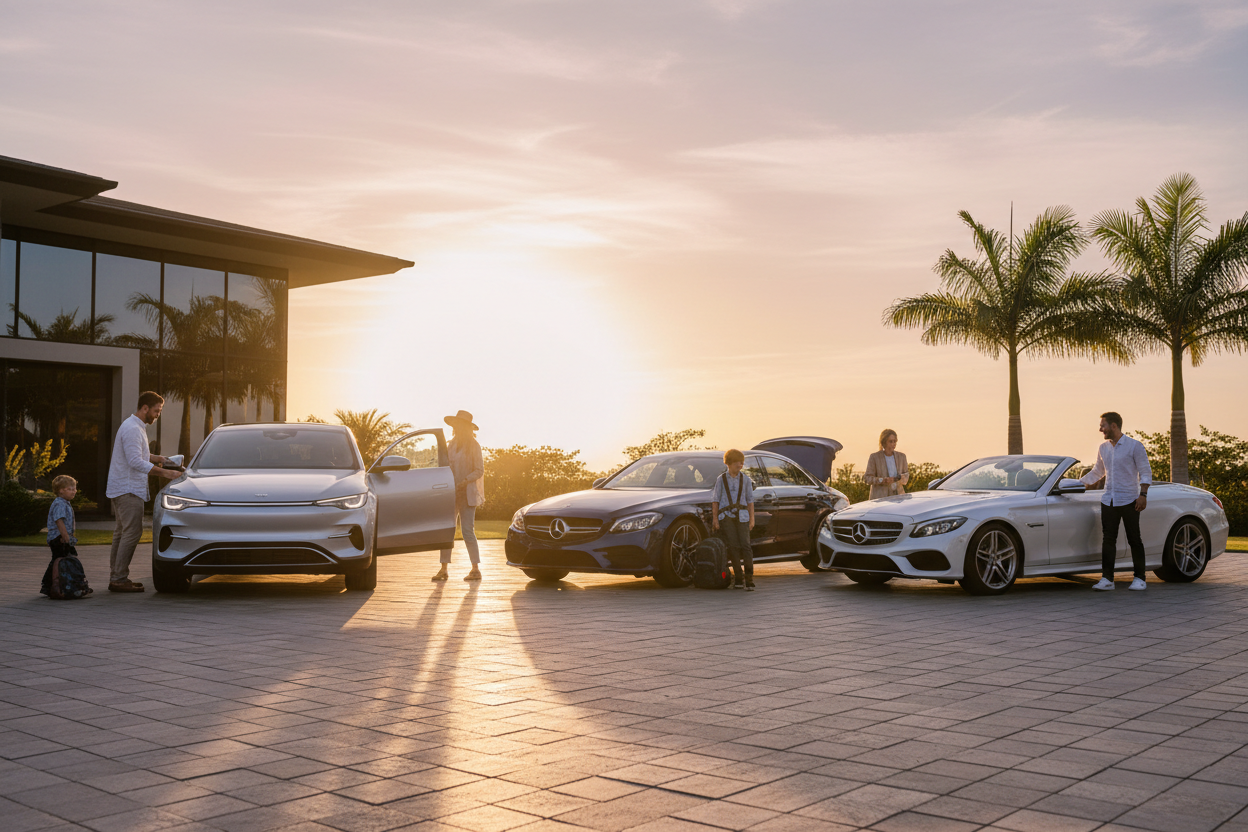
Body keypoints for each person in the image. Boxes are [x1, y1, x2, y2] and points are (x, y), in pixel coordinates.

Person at [105, 392, 180, 592]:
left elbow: (140, 455)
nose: (157, 415)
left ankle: (117, 576)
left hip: (124, 488)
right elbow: (135, 461)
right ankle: (119, 579)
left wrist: (159, 458)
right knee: (132, 532)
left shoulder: (135, 427)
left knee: (121, 533)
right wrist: (166, 473)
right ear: (145, 408)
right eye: (156, 410)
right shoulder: (132, 428)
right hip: (128, 489)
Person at [1079, 411, 1152, 591]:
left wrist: (1143, 495)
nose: (1100, 429)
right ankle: (1107, 579)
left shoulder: (1135, 446)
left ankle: (1140, 578)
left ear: (1113, 426)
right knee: (1108, 539)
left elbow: (1145, 471)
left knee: (1134, 539)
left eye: (1103, 425)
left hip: (1130, 499)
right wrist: (1078, 484)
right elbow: (1098, 472)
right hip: (1108, 500)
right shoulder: (1103, 448)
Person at [433, 410, 485, 582]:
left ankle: (475, 569)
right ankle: (443, 569)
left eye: (460, 425)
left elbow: (479, 470)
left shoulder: (474, 446)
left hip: (467, 493)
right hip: (451, 493)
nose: (456, 428)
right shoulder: (451, 445)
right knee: (447, 530)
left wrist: (465, 481)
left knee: (467, 531)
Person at [711, 449, 757, 591]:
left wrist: (752, 519)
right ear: (729, 463)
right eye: (737, 462)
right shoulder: (721, 479)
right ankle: (738, 577)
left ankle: (749, 578)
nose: (740, 465)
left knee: (746, 546)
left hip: (742, 516)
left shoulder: (746, 479)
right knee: (733, 547)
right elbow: (715, 500)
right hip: (726, 517)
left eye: (742, 462)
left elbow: (750, 500)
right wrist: (715, 519)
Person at [41, 474, 91, 597]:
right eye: (71, 489)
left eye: (75, 488)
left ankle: (55, 585)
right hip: (59, 538)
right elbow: (59, 520)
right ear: (61, 490)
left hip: (61, 537)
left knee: (58, 560)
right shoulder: (60, 503)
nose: (75, 491)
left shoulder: (64, 502)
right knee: (59, 560)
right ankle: (56, 585)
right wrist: (65, 537)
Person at [865, 429, 909, 500]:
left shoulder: (901, 457)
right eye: (890, 441)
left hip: (898, 498)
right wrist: (883, 480)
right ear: (884, 442)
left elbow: (906, 476)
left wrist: (897, 478)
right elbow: (867, 478)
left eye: (895, 441)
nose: (893, 444)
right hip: (880, 498)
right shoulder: (874, 457)